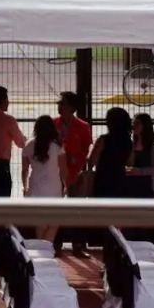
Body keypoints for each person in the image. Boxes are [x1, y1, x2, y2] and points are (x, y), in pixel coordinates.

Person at [55, 91, 95, 253]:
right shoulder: (53, 123)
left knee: (77, 210)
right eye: (59, 103)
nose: (59, 106)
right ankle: (55, 244)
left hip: (75, 173)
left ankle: (78, 245)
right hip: (57, 173)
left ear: (71, 107)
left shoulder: (83, 126)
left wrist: (77, 159)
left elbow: (87, 148)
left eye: (62, 103)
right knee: (56, 209)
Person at [23, 115, 66, 243]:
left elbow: (25, 169)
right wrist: (66, 185)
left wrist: (25, 187)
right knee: (54, 222)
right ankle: (47, 247)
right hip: (53, 186)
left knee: (39, 223)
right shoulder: (57, 146)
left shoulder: (28, 145)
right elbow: (63, 169)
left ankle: (41, 249)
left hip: (35, 186)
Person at [87, 107, 135, 199]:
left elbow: (92, 161)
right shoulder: (129, 142)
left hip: (103, 181)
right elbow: (130, 162)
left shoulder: (103, 140)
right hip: (120, 181)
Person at [124, 112, 154, 199]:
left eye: (137, 123)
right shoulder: (132, 144)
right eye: (133, 123)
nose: (133, 125)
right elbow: (129, 163)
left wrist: (140, 171)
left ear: (145, 125)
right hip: (133, 188)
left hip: (149, 188)